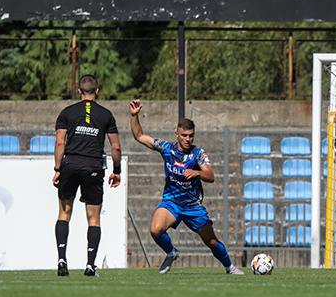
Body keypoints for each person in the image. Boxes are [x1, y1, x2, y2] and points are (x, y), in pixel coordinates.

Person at [129, 99, 244, 275]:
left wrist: (197, 173)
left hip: (193, 206)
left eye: (191, 135)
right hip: (171, 202)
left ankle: (230, 267)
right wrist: (134, 115)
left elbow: (211, 176)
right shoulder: (166, 148)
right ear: (177, 135)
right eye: (184, 135)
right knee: (155, 229)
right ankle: (171, 252)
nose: (188, 139)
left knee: (211, 242)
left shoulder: (198, 154)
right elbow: (139, 136)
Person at [54, 74, 122, 277]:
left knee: (64, 213)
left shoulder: (67, 112)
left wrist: (58, 169)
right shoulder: (106, 115)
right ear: (97, 91)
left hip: (70, 164)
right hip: (93, 165)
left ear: (79, 91)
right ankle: (90, 265)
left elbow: (60, 142)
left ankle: (61, 260)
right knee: (93, 219)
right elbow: (116, 146)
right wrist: (116, 171)